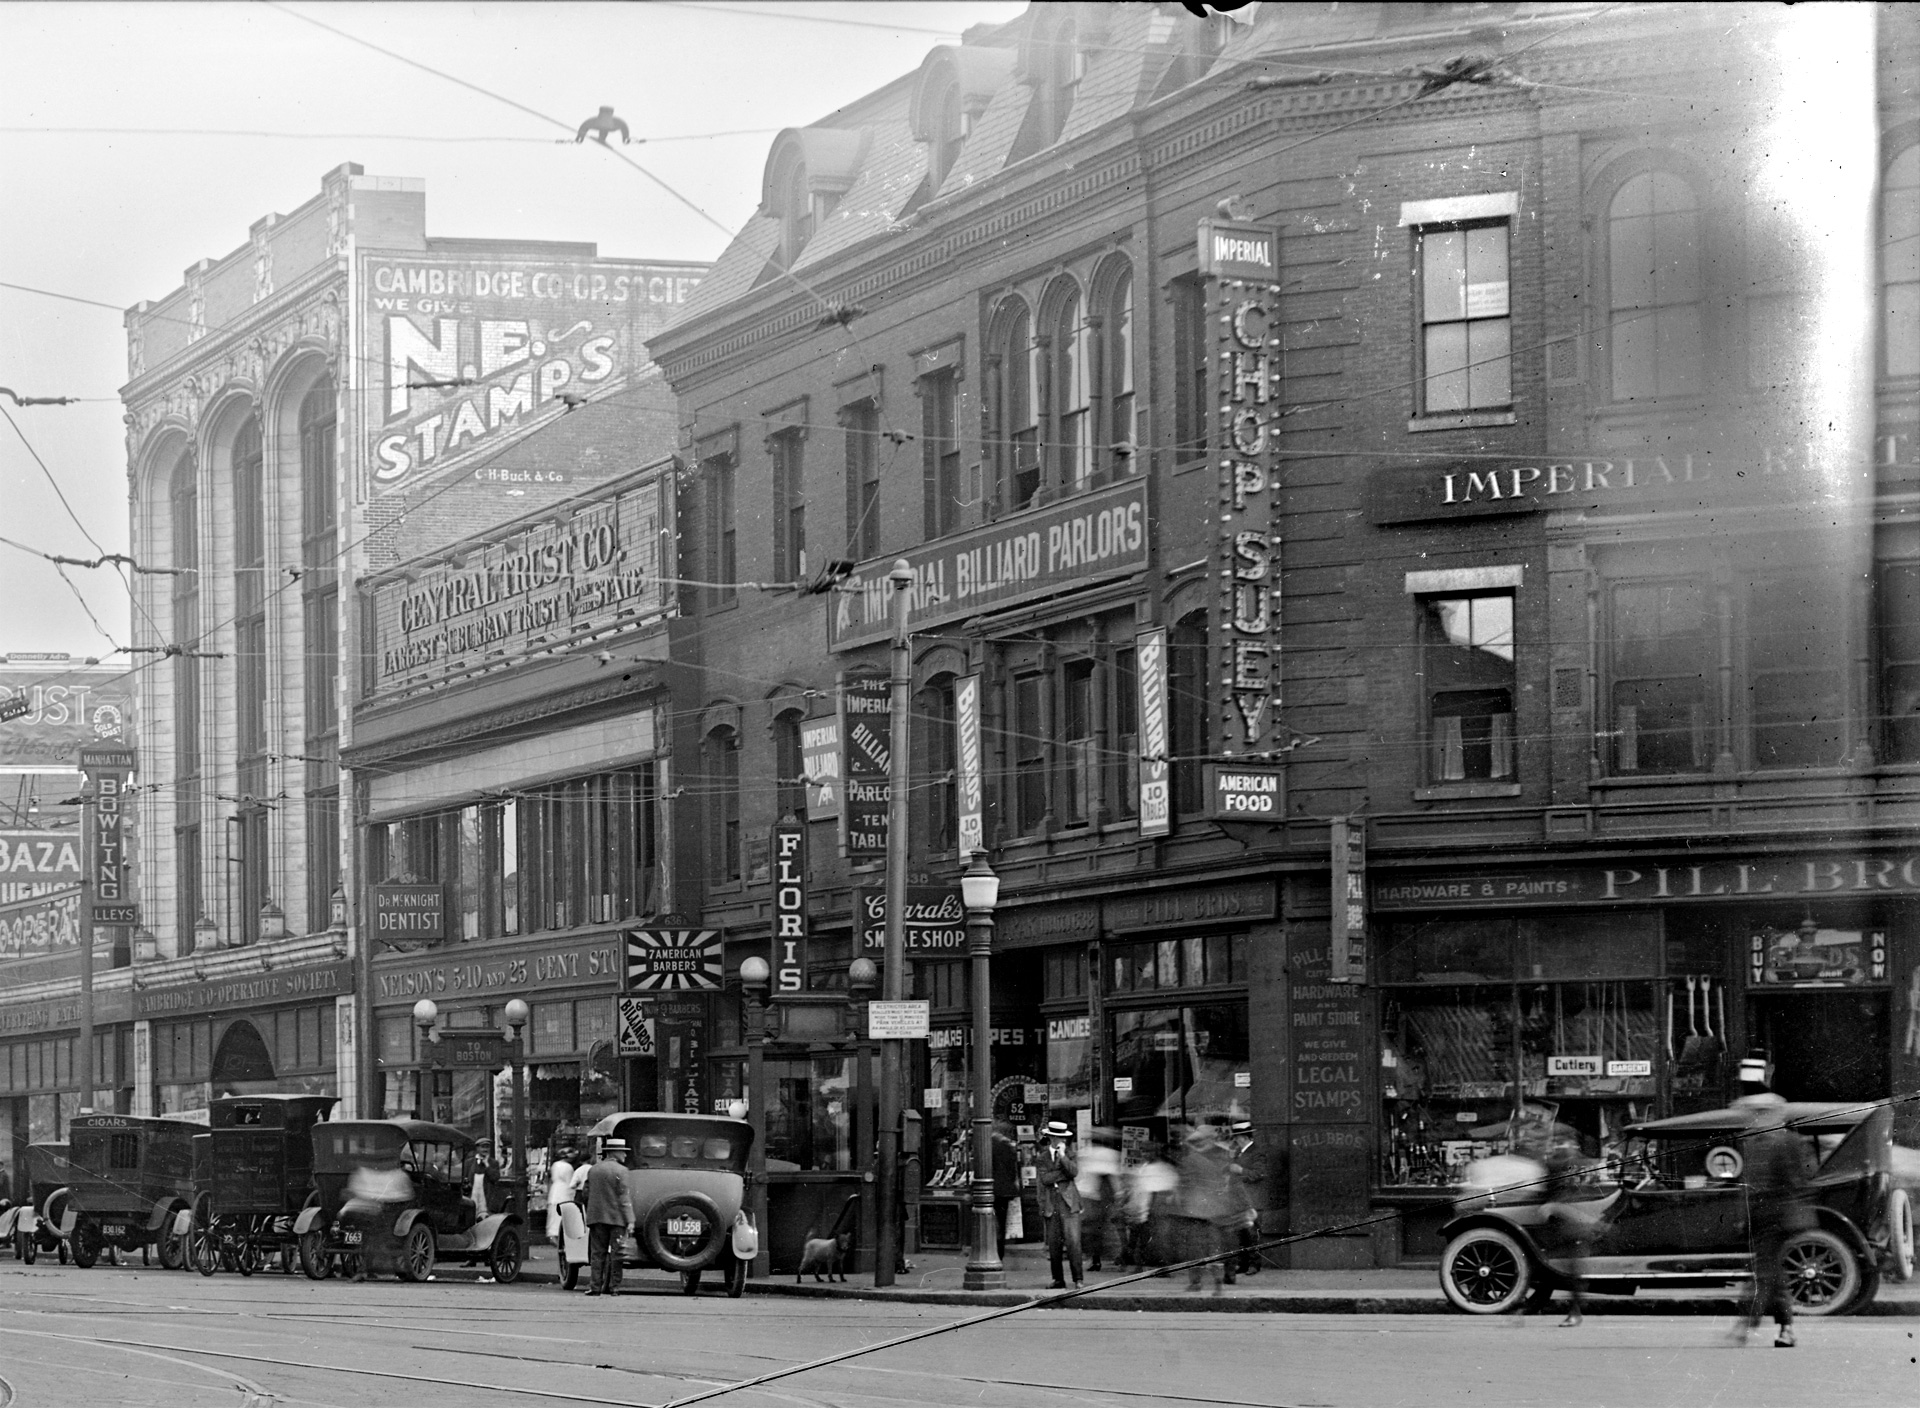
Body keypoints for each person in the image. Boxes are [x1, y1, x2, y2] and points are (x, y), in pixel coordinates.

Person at [1729, 1057, 1813, 1347]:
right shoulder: (1763, 1140)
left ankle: (1747, 1323)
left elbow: (1792, 1182)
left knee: (1764, 1270)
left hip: (1773, 1212)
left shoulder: (1774, 1142)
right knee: (1772, 1271)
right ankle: (1786, 1330)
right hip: (1768, 1213)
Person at [1174, 1123, 1236, 1292]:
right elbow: (1228, 1182)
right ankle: (1218, 1283)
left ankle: (1196, 1283)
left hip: (1196, 1210)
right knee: (1215, 1247)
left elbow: (1183, 1184)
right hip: (1217, 1209)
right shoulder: (1224, 1156)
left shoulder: (1190, 1159)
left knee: (1195, 1248)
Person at [1034, 1120, 1084, 1289]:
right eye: (1056, 1138)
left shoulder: (1069, 1154)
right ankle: (1058, 1279)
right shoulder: (1042, 1158)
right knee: (1054, 1245)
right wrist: (1062, 1174)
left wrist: (1062, 1157)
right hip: (1051, 1203)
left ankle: (1078, 1279)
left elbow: (1074, 1172)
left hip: (1069, 1203)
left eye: (1062, 1138)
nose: (1059, 1141)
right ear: (1050, 1138)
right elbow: (1045, 1179)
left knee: (1073, 1242)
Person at [583, 1138, 634, 1297]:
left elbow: (585, 1193)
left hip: (597, 1217)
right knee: (617, 1254)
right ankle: (614, 1287)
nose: (625, 1155)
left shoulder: (593, 1170)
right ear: (614, 1152)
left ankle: (595, 1286)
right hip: (617, 1219)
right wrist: (630, 1220)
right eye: (623, 1152)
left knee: (597, 1253)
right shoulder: (622, 1171)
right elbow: (624, 1197)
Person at [1121, 1140, 1179, 1269]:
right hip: (1145, 1206)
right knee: (1142, 1237)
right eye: (1144, 1152)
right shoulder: (1144, 1168)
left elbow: (1170, 1189)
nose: (1146, 1154)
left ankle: (1161, 1266)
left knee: (1157, 1238)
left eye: (1149, 1151)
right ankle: (1140, 1266)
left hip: (1157, 1205)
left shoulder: (1162, 1167)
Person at [1075, 1127, 1122, 1272]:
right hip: (1097, 1197)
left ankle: (1093, 1258)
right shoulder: (1110, 1155)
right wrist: (1118, 1194)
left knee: (1089, 1230)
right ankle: (1101, 1258)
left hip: (1084, 1194)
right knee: (1101, 1229)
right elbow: (1110, 1178)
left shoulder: (1083, 1154)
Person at [1225, 1120, 1264, 1276]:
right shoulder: (1238, 1153)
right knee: (1241, 1233)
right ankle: (1244, 1263)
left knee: (1252, 1234)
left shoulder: (1257, 1152)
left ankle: (1254, 1264)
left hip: (1251, 1200)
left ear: (1243, 1137)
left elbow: (1259, 1174)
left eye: (1237, 1137)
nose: (1236, 1141)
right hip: (1239, 1200)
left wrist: (1240, 1170)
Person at [990, 1123, 1020, 1257]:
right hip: (1005, 1190)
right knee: (1001, 1223)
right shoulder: (1008, 1147)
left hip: (991, 1189)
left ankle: (993, 1252)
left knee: (990, 1223)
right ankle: (999, 1253)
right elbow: (1013, 1170)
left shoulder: (989, 1145)